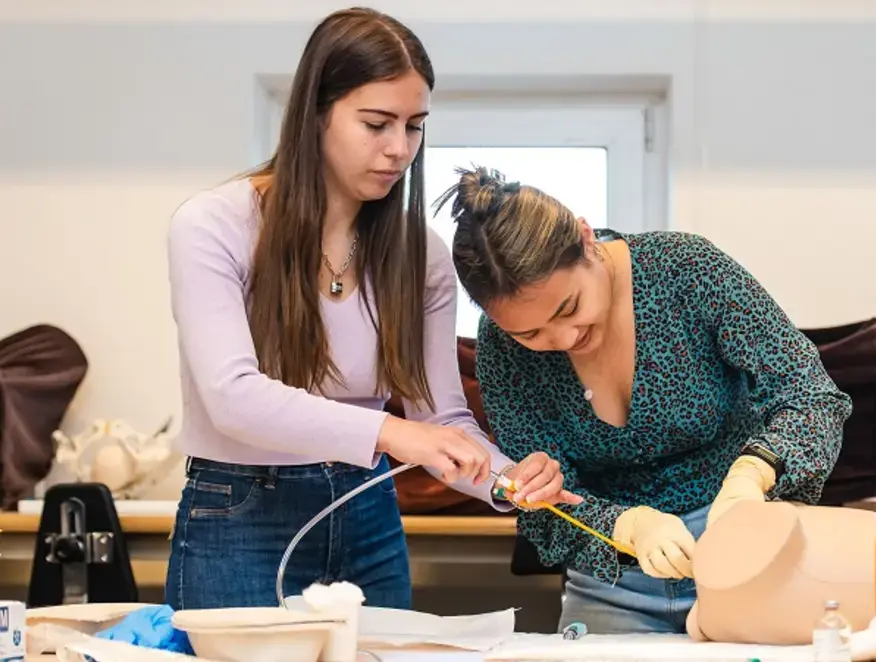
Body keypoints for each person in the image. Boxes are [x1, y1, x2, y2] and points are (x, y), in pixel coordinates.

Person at [163, 9, 577, 611]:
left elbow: (444, 423)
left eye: (414, 126)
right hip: (239, 514)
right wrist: (393, 434)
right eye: (376, 123)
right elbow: (232, 398)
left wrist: (509, 482)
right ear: (316, 113)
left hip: (368, 512)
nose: (398, 149)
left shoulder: (421, 256)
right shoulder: (213, 225)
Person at [436, 166, 853, 634]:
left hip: (747, 552)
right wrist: (626, 525)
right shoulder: (502, 347)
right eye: (531, 333)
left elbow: (810, 394)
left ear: (586, 238)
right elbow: (542, 500)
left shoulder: (688, 271)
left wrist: (753, 473)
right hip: (613, 581)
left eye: (569, 307)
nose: (565, 337)